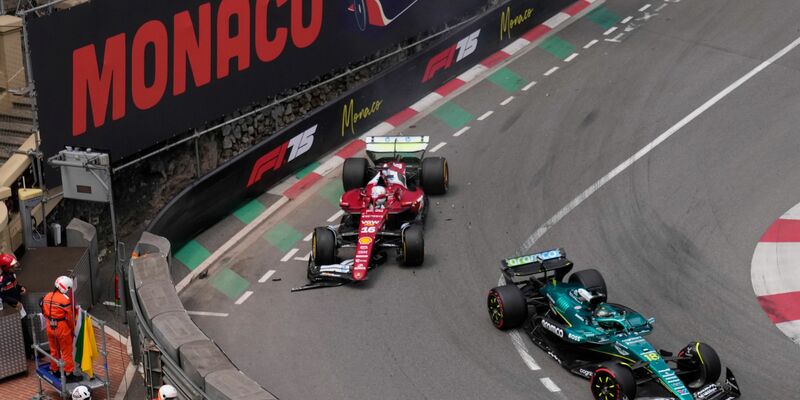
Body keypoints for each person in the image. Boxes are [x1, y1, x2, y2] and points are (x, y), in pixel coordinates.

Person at [41, 276, 81, 382]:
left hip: (49, 326)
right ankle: (69, 374)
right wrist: (72, 328)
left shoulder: (47, 296)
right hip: (62, 327)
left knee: (54, 350)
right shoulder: (65, 300)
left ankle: (55, 370)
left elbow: (44, 312)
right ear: (65, 288)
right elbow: (69, 317)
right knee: (66, 351)